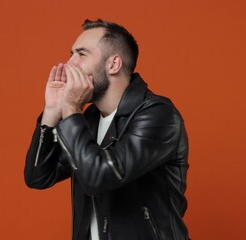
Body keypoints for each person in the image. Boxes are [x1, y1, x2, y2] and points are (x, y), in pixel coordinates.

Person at [24, 19, 190, 240]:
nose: (68, 64)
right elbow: (39, 177)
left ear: (113, 65)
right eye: (71, 54)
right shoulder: (89, 120)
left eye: (81, 55)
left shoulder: (158, 115)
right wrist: (52, 111)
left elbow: (98, 178)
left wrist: (72, 108)